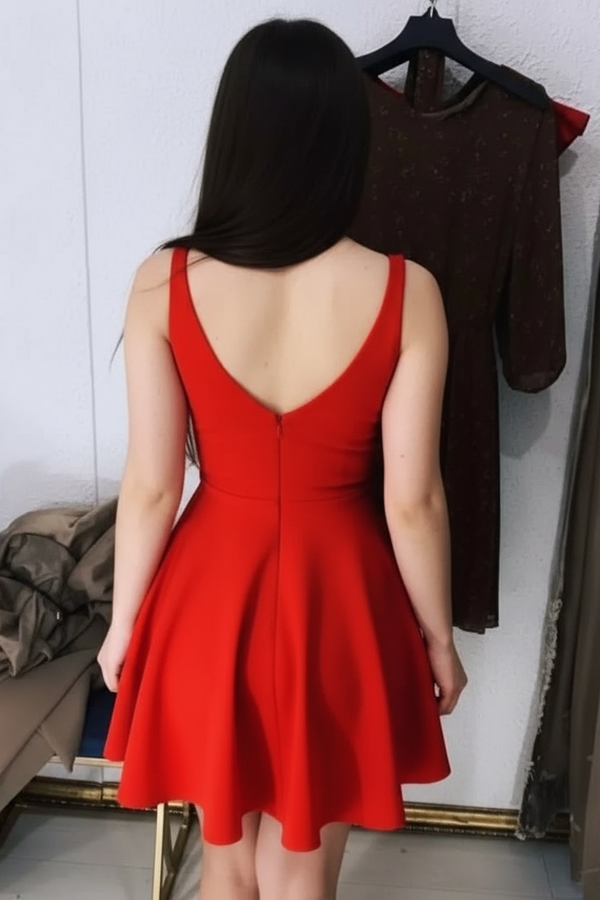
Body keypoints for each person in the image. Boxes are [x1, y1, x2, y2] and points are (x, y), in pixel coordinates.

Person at [98, 16, 468, 900]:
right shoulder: (407, 290)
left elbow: (151, 487)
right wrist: (440, 639)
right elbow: (412, 501)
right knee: (304, 870)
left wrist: (123, 625)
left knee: (226, 863)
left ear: (232, 134)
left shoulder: (163, 281)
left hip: (208, 596)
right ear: (348, 142)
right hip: (341, 599)